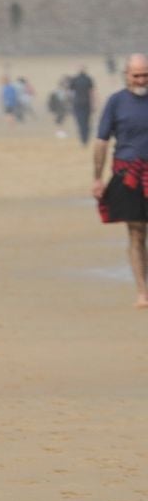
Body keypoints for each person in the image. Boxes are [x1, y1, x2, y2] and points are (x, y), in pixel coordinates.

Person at [92, 52, 148, 309]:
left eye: (145, 75)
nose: (141, 80)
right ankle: (142, 291)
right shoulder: (115, 102)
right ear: (126, 75)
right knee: (136, 233)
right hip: (128, 175)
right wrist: (97, 178)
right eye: (136, 75)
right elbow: (102, 141)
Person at [70, 66, 97, 146]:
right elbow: (92, 92)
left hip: (77, 103)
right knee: (86, 122)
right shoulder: (88, 79)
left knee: (80, 122)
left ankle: (83, 139)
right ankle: (85, 139)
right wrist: (93, 104)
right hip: (86, 103)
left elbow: (71, 92)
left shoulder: (75, 79)